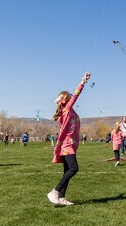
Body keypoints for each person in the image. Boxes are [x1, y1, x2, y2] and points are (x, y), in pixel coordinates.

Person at [47, 72, 90, 206]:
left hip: (70, 144)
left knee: (67, 170)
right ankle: (55, 191)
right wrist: (83, 82)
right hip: (67, 145)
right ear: (66, 99)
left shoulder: (67, 110)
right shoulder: (67, 108)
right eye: (67, 96)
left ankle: (62, 198)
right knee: (74, 168)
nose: (71, 96)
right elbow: (76, 94)